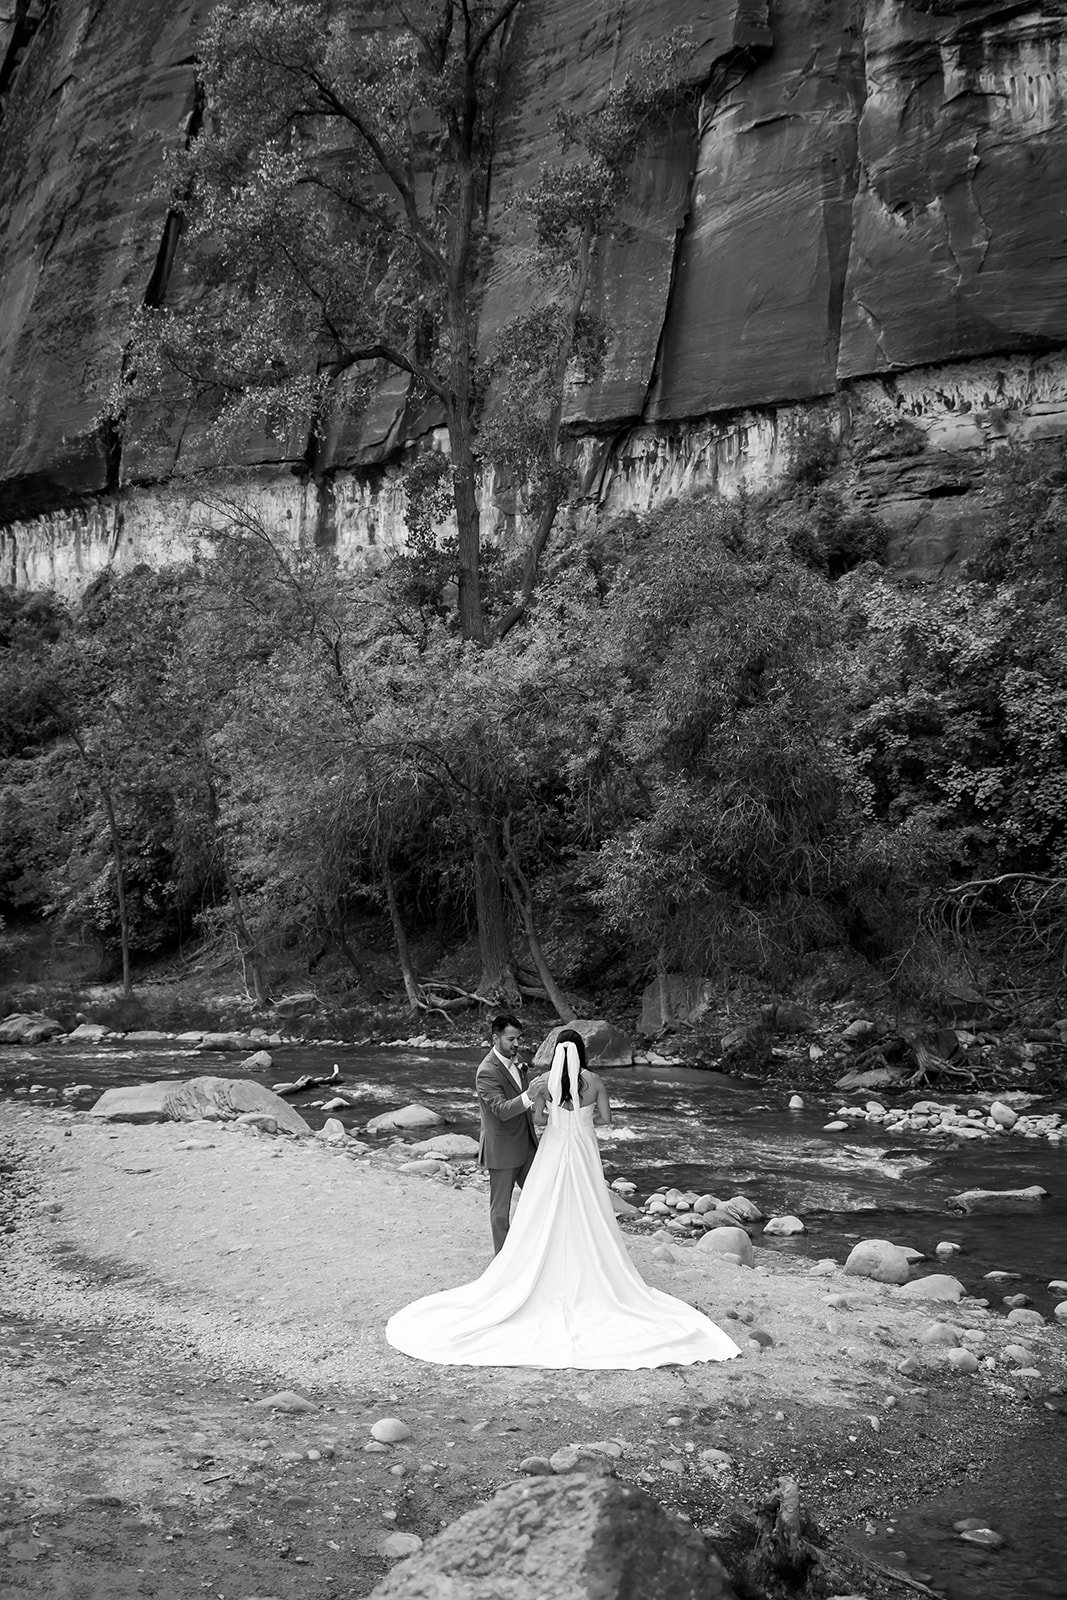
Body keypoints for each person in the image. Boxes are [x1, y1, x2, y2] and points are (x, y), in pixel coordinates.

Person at [385, 1028, 741, 1369]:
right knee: (589, 1206)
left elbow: (538, 1117)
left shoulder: (547, 1083)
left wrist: (553, 1111)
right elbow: (606, 1118)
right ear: (582, 1053)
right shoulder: (596, 1082)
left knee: (544, 1205)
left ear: (557, 1054)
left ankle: (534, 1260)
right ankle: (591, 1261)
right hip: (583, 1150)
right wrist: (585, 1117)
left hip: (555, 1149)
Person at [474, 1013, 549, 1255]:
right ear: (495, 1038)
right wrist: (529, 1094)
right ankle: (502, 1261)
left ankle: (534, 1252)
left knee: (541, 1200)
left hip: (527, 1144)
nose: (516, 1044)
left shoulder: (517, 1060)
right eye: (510, 1039)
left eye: (518, 1038)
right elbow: (500, 1111)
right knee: (500, 1209)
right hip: (503, 1148)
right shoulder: (486, 1072)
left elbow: (527, 1100)